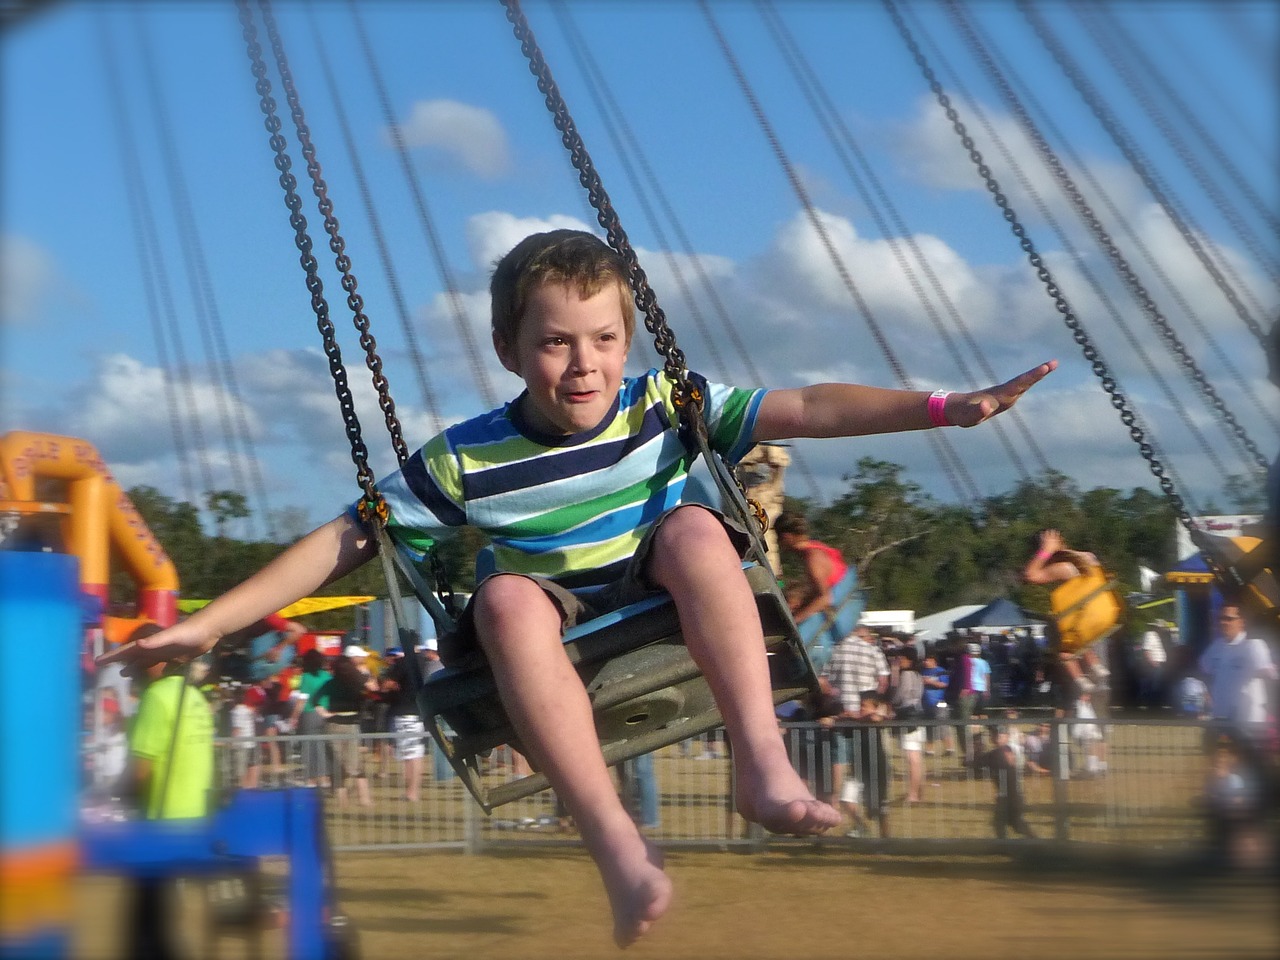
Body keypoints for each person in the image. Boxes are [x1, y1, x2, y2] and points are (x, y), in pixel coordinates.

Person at [102, 228, 1055, 947]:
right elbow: (343, 541)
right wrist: (209, 627)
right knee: (506, 597)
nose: (585, 362)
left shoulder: (661, 406)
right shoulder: (467, 458)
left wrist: (941, 408)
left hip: (655, 576)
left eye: (604, 338)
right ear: (510, 350)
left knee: (691, 526)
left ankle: (762, 765)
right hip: (550, 606)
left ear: (629, 340)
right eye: (556, 343)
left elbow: (806, 406)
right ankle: (614, 844)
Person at [126, 625, 216, 959]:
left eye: (136, 658)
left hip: (160, 821)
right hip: (194, 817)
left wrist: (109, 798)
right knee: (165, 919)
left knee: (148, 922)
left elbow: (140, 770)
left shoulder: (157, 697)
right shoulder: (194, 696)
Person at [1198, 602, 1277, 749]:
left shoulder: (1253, 646)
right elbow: (1204, 671)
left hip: (1248, 722)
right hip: (1222, 720)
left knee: (1251, 767)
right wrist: (1206, 692)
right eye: (1221, 618)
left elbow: (1270, 677)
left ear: (1241, 622)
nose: (1223, 622)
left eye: (1229, 618)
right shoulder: (1216, 646)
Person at [315, 645, 379, 808]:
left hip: (333, 725)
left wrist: (325, 714)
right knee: (355, 765)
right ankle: (364, 799)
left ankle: (343, 801)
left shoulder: (331, 683)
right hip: (350, 725)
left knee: (339, 765)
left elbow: (315, 699)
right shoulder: (358, 682)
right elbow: (374, 693)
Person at [774, 512, 849, 624]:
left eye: (778, 537)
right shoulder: (815, 548)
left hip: (839, 612)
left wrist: (793, 621)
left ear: (786, 536)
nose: (777, 542)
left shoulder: (812, 558)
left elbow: (825, 598)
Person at [890, 647, 925, 803]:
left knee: (912, 759)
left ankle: (912, 794)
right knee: (917, 758)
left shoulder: (906, 674)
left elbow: (900, 696)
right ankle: (918, 791)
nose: (898, 661)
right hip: (918, 715)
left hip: (908, 716)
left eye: (900, 658)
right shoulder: (918, 674)